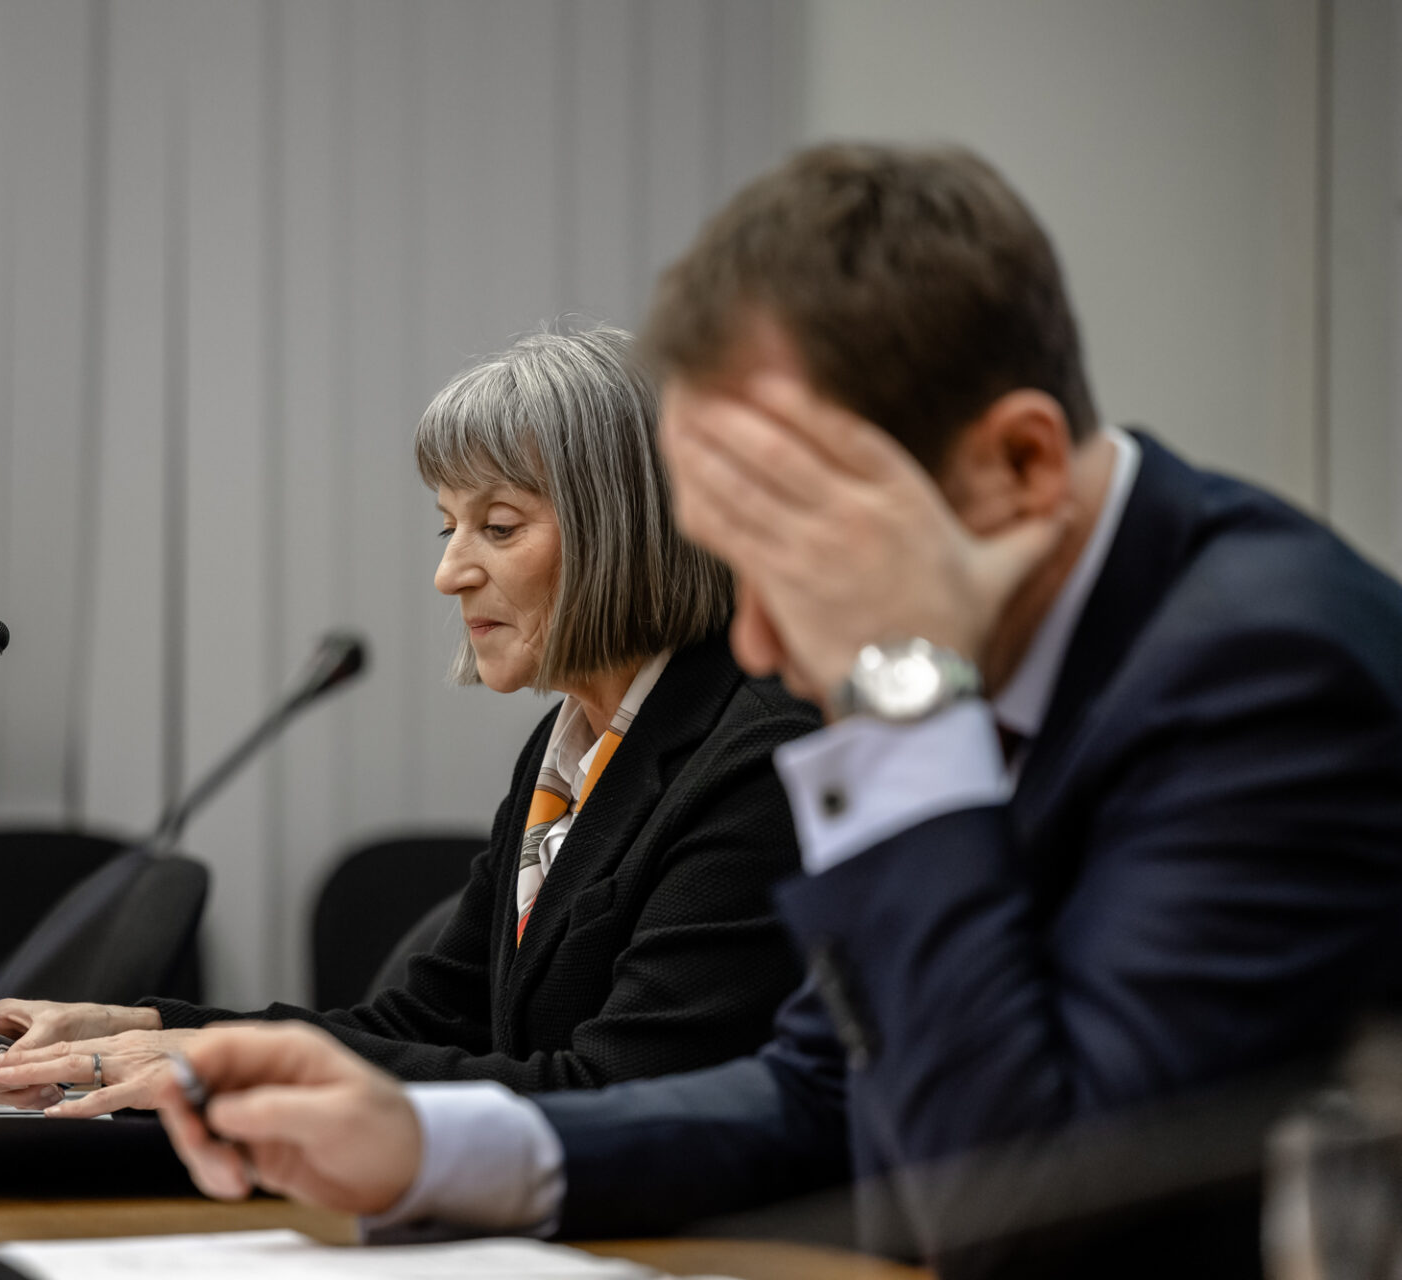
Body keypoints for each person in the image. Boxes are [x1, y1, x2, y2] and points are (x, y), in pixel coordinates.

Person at [148, 145, 1402, 1274]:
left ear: (1018, 468)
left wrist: (897, 694)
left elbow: (1020, 1205)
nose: (750, 641)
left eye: (794, 559)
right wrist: (427, 1142)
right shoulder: (999, 643)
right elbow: (817, 1089)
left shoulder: (1266, 672)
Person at [0, 323, 821, 1114]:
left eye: (500, 527)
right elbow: (426, 1021)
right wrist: (136, 1027)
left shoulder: (755, 756)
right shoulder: (571, 750)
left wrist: (222, 1061)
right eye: (449, 528)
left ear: (623, 528)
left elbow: (624, 1092)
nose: (451, 573)